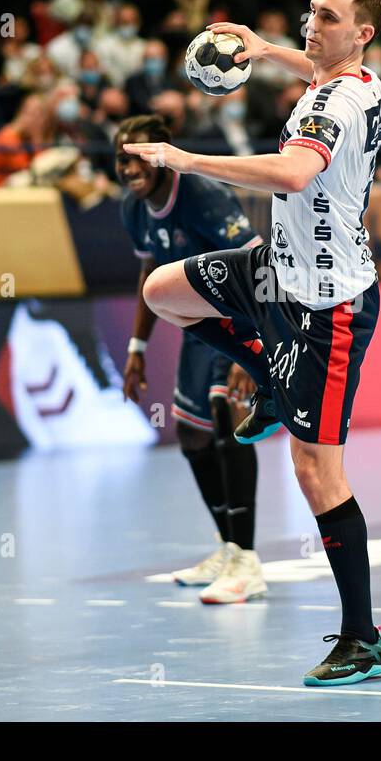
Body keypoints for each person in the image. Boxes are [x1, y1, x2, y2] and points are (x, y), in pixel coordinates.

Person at [122, 0, 381, 686]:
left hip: (327, 305)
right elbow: (316, 66)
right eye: (311, 11)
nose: (313, 25)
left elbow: (294, 174)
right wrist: (264, 47)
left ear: (361, 33)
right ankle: (272, 380)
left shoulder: (334, 105)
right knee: (166, 291)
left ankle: (362, 637)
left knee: (316, 473)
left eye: (327, 18)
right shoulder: (356, 79)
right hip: (274, 267)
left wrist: (187, 159)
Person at [112, 113, 267, 604]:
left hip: (240, 319)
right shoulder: (132, 210)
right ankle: (227, 546)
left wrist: (255, 345)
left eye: (139, 157)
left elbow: (259, 264)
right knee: (193, 436)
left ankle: (247, 560)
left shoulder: (202, 196)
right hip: (198, 329)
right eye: (121, 158)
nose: (130, 167)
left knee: (228, 419)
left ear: (162, 157)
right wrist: (137, 348)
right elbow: (148, 275)